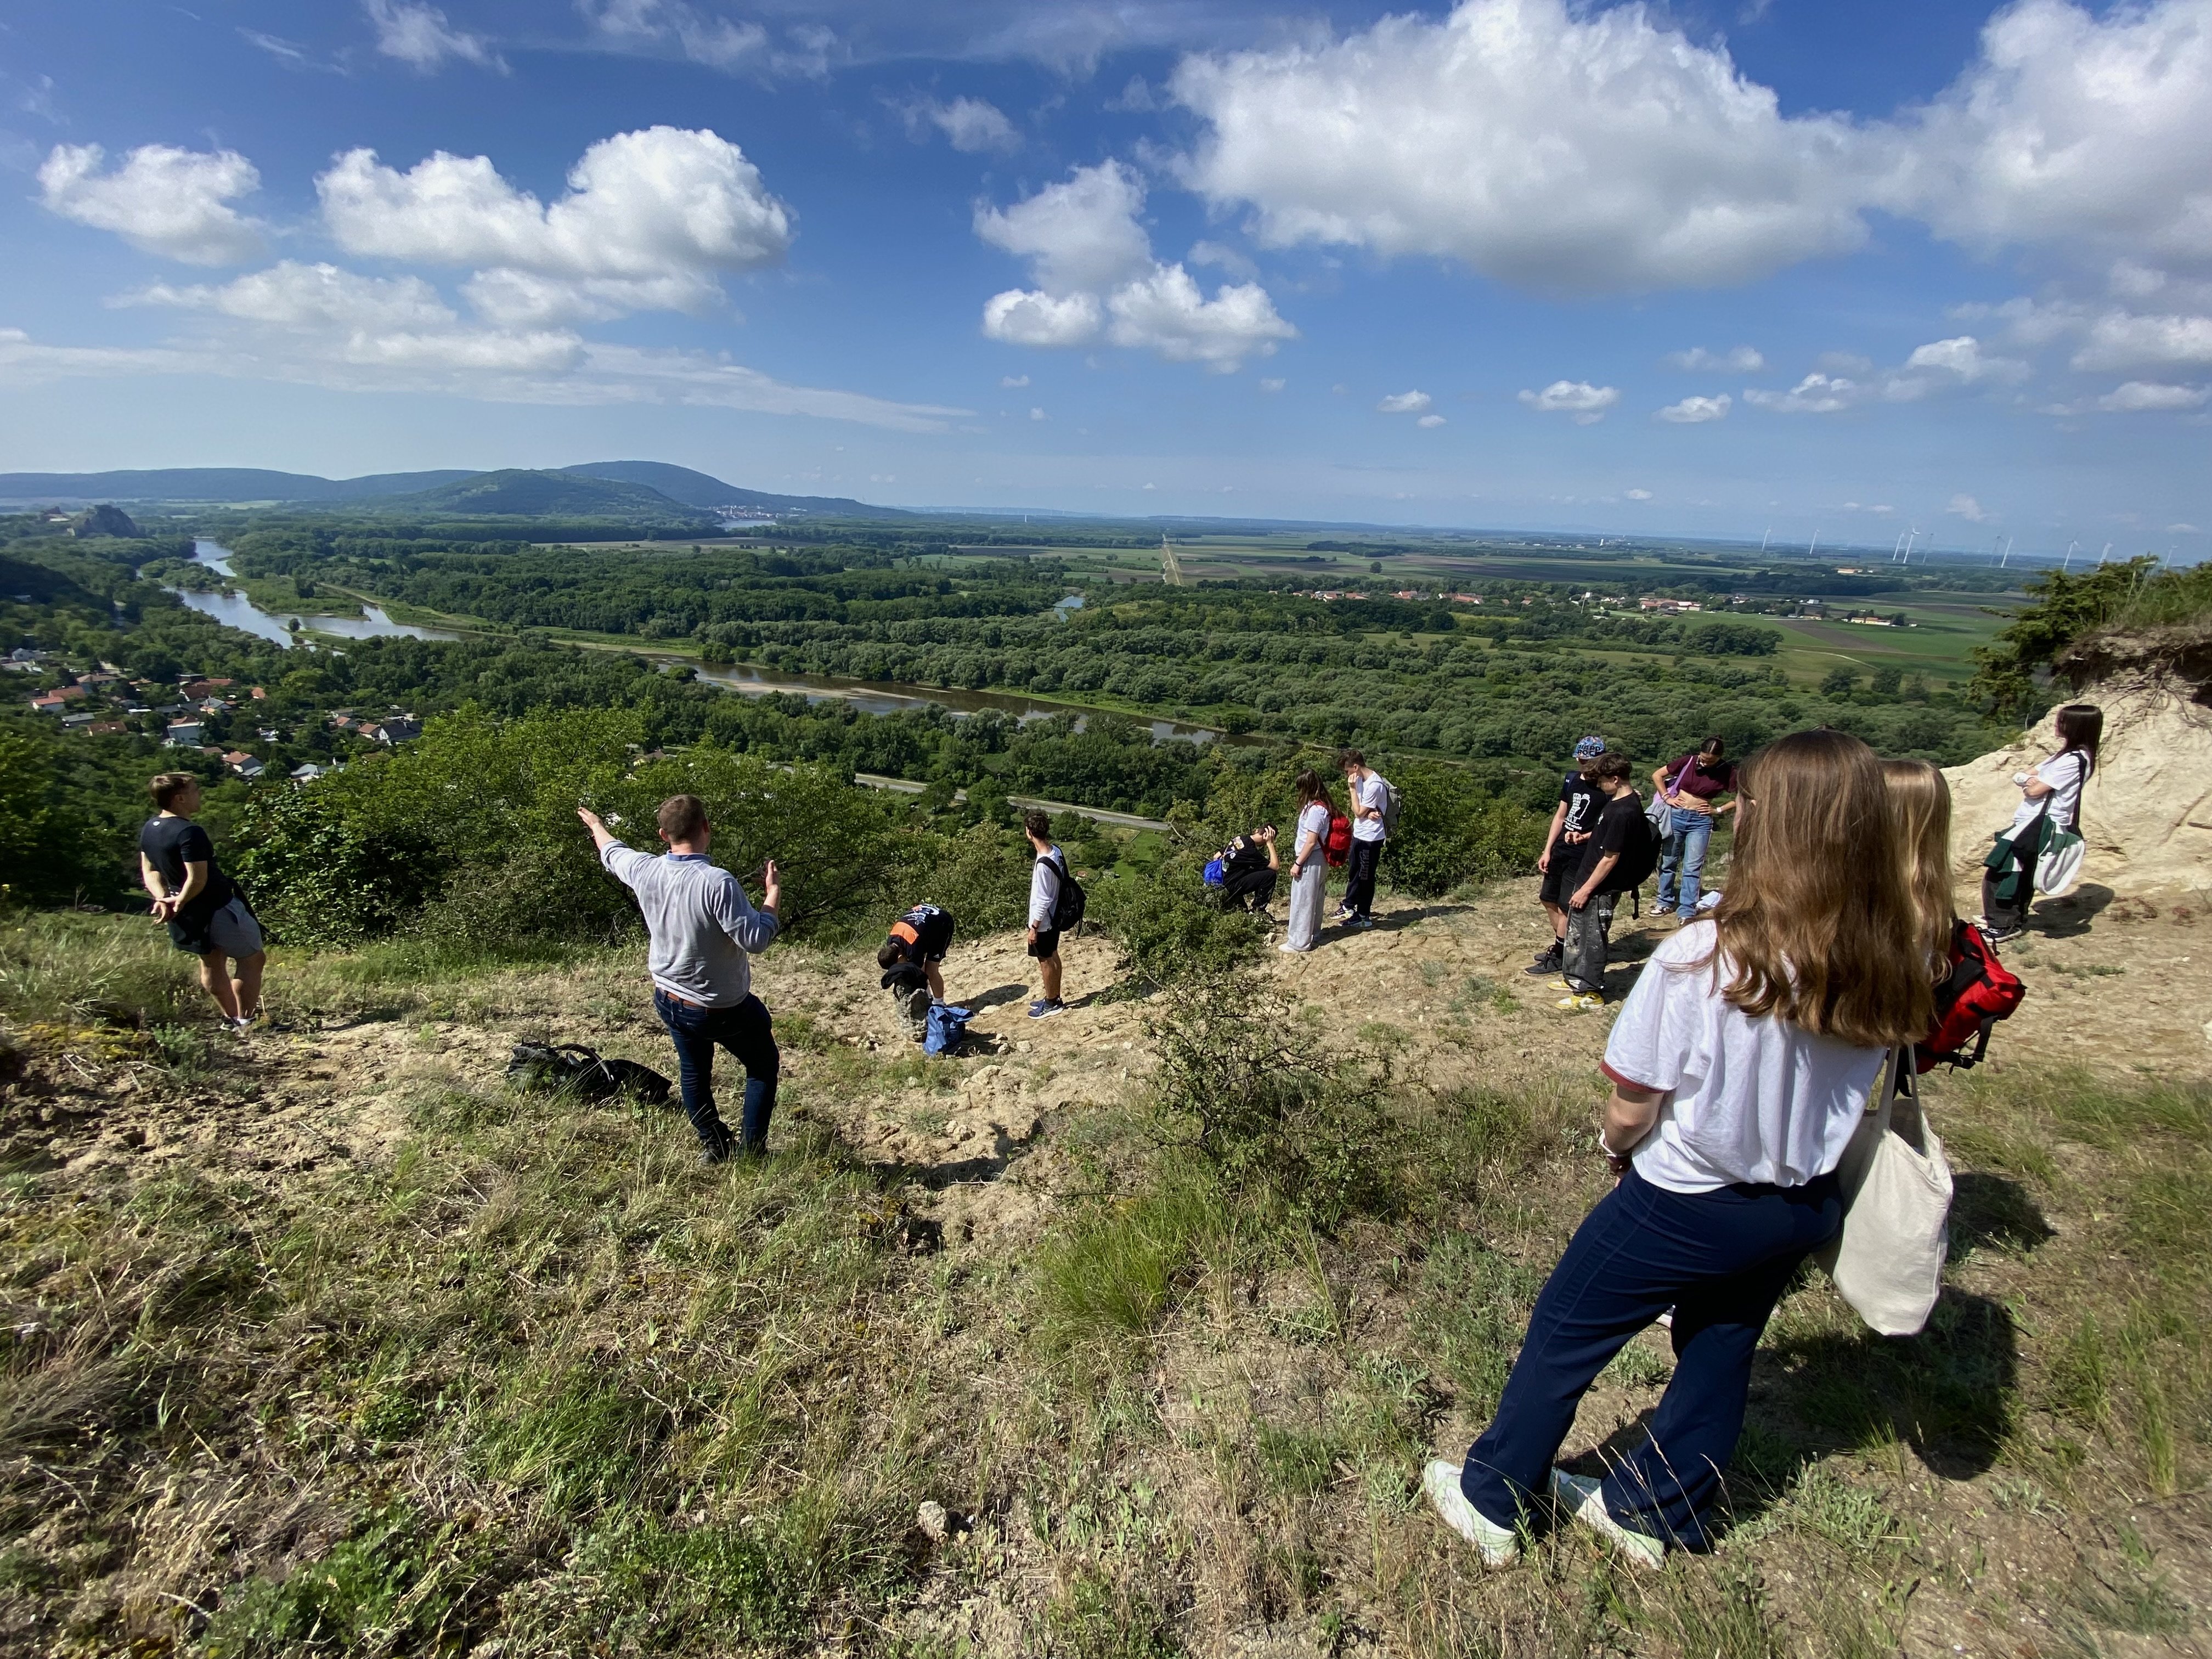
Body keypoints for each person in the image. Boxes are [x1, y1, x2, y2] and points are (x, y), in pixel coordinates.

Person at [1424, 729, 1932, 1571]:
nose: (1735, 813)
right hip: (1800, 1204)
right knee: (1721, 1347)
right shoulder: (1891, 951)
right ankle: (1652, 1510)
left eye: (1751, 804)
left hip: (1688, 1197)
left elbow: (1635, 1102)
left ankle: (1493, 1501)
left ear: (1778, 826)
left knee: (1565, 1330)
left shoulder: (1708, 952)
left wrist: (1612, 1144)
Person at [579, 795, 780, 1163]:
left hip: (670, 999)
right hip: (720, 1006)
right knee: (763, 1067)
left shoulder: (646, 870)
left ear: (662, 835)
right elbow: (757, 940)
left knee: (694, 1073)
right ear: (706, 827)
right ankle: (752, 1156)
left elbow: (612, 851)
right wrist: (772, 895)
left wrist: (596, 825)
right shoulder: (716, 882)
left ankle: (714, 1145)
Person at [139, 772, 266, 1034]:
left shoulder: (151, 828)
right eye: (195, 790)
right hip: (214, 905)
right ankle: (247, 1022)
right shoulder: (190, 832)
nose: (200, 795)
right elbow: (198, 878)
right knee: (252, 959)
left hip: (185, 911)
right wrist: (180, 901)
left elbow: (149, 870)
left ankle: (231, 1020)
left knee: (211, 962)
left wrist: (164, 898)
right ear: (180, 798)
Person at [1981, 702, 2101, 943]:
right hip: (2038, 822)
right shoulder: (2070, 756)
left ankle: (2001, 925)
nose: (2057, 725)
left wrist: (2031, 784)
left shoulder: (2070, 760)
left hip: (2039, 823)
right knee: (2022, 872)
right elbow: (2027, 776)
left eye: (2062, 721)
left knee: (2004, 870)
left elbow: (2034, 791)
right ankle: (2011, 920)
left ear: (2076, 727)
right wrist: (2030, 782)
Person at [1554, 753, 1643, 1010]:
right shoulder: (1617, 802)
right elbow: (1606, 840)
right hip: (1589, 879)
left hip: (1600, 886)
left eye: (1602, 780)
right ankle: (1574, 980)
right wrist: (1584, 838)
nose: (1598, 785)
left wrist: (1586, 890)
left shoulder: (1624, 811)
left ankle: (1590, 991)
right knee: (1579, 934)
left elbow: (1610, 858)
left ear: (1615, 779)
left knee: (1593, 937)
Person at [1530, 737, 1607, 979]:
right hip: (1561, 848)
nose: (1582, 764)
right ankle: (1563, 946)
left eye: (1587, 761)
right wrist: (1547, 849)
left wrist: (1585, 837)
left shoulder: (1606, 790)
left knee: (1566, 906)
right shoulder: (1572, 779)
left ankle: (1561, 953)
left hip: (1583, 855)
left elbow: (1610, 827)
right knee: (1547, 898)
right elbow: (1560, 816)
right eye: (1580, 759)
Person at [1651, 737, 1737, 918]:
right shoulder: (1688, 761)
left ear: (1720, 758)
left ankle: (1687, 909)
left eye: (1711, 761)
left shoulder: (1727, 771)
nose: (1706, 763)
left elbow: (1743, 794)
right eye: (1704, 758)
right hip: (1676, 814)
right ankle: (1664, 901)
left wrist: (1718, 810)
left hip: (1701, 820)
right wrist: (1667, 797)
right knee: (1669, 860)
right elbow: (1657, 775)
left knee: (1693, 866)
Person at [879, 902, 955, 1040]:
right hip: (924, 924)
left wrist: (925, 999)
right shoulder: (892, 940)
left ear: (898, 957)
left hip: (942, 924)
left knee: (931, 971)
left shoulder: (912, 949)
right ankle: (931, 1000)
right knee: (915, 966)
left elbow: (921, 976)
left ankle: (939, 1004)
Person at [1280, 771, 1334, 954]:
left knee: (1302, 900)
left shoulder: (1316, 810)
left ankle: (1299, 943)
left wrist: (1298, 863)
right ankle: (1313, 934)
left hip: (1311, 859)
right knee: (1315, 898)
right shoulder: (1320, 807)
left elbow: (1311, 841)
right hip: (1317, 859)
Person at [1022, 810, 1069, 1019]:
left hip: (1044, 922)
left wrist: (1034, 928)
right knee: (1053, 955)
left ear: (1029, 833)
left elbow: (1042, 900)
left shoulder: (1042, 864)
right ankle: (1055, 996)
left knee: (1045, 960)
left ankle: (1052, 1002)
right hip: (1057, 914)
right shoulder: (1056, 852)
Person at [1337, 749, 1390, 929]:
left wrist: (1352, 791)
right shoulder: (1359, 778)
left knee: (1366, 877)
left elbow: (1358, 810)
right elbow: (1360, 810)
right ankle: (1350, 906)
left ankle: (1363, 917)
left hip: (1371, 838)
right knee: (1355, 872)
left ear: (1356, 767)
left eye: (1347, 771)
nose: (1347, 775)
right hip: (1360, 833)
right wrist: (1365, 814)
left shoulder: (1374, 784)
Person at [1217, 826, 1280, 916]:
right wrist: (1270, 844)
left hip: (1225, 880)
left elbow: (1217, 856)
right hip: (1233, 885)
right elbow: (1276, 866)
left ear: (1257, 830)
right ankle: (1258, 910)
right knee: (1270, 875)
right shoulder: (1250, 850)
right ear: (1267, 836)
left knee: (1260, 870)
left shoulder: (1240, 839)